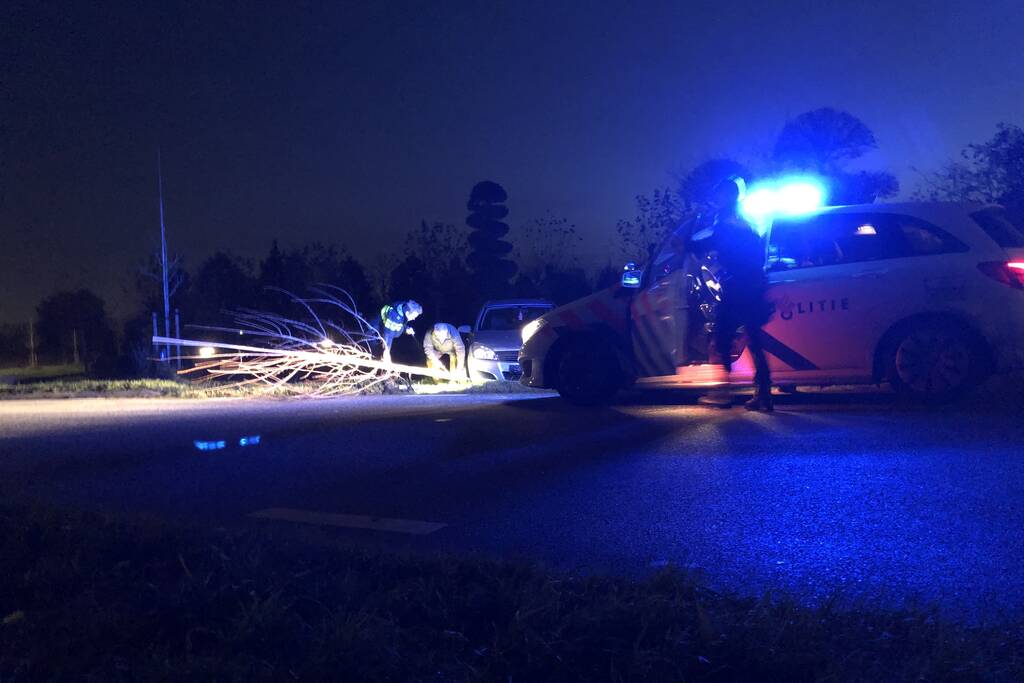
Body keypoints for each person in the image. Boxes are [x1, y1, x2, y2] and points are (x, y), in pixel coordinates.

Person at [693, 176, 774, 411]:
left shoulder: (726, 220)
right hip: (752, 284)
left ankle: (723, 392)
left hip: (738, 286)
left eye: (718, 195)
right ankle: (764, 394)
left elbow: (712, 242)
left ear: (726, 196)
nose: (716, 200)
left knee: (722, 336)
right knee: (754, 340)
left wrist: (687, 245)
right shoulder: (745, 220)